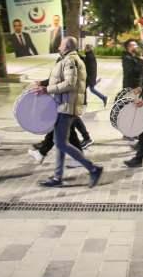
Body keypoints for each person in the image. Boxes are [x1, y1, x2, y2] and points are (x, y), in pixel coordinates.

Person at [33, 36, 103, 187]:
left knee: (60, 143)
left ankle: (93, 168)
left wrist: (47, 89)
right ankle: (57, 177)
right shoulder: (71, 59)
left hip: (66, 106)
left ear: (67, 47)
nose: (59, 46)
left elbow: (69, 84)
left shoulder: (70, 61)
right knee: (59, 142)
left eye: (61, 44)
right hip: (64, 105)